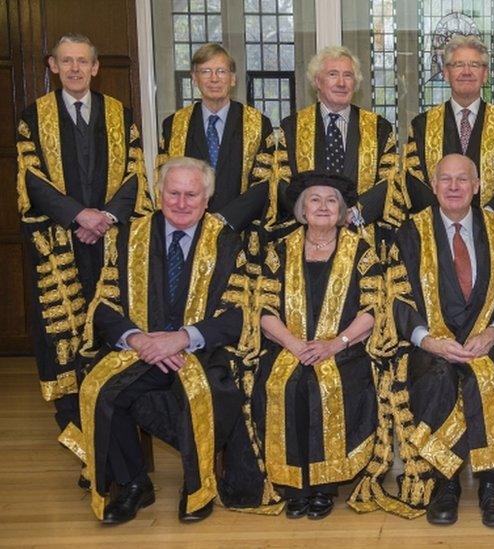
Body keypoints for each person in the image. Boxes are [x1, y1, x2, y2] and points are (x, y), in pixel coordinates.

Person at [78, 156, 246, 524]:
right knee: (100, 391)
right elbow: (104, 303)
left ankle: (196, 483)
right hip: (141, 349)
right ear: (158, 194)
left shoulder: (230, 242)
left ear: (207, 200)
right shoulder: (126, 238)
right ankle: (134, 483)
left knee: (204, 393)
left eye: (191, 194)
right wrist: (137, 339)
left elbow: (240, 311)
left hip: (203, 351)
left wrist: (183, 338)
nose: (181, 203)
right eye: (173, 193)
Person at [379, 154, 494, 528]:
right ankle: (444, 483)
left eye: (462, 179)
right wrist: (426, 339)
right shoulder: (409, 232)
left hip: (490, 340)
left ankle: (489, 485)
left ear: (477, 185)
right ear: (432, 186)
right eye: (445, 180)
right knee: (436, 378)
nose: (453, 187)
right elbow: (395, 297)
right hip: (432, 344)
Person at [15, 33, 151, 449]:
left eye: (82, 62)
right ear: (53, 66)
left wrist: (105, 216)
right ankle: (81, 437)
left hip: (111, 239)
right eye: (66, 61)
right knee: (65, 332)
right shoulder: (33, 117)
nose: (74, 68)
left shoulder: (118, 113)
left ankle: (118, 428)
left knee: (114, 324)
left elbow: (135, 175)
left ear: (95, 67)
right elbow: (31, 179)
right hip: (60, 241)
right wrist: (79, 215)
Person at [249, 172, 382, 520]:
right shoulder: (279, 250)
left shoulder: (362, 251)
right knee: (286, 383)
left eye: (331, 201)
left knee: (326, 384)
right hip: (288, 346)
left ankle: (324, 485)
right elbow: (263, 309)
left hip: (344, 348)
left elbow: (372, 309)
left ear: (342, 211)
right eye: (315, 200)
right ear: (302, 209)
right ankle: (294, 485)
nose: (323, 206)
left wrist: (334, 344)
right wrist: (295, 345)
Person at [278, 46, 403, 236]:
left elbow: (391, 179)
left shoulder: (379, 128)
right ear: (318, 81)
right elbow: (281, 180)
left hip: (362, 234)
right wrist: (314, 214)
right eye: (333, 74)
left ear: (355, 83)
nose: (341, 83)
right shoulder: (292, 127)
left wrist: (353, 214)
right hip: (307, 236)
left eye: (348, 76)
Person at [402, 34, 494, 221]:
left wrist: (486, 219)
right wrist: (445, 219)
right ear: (445, 73)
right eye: (458, 65)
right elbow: (414, 181)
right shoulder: (422, 125)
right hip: (436, 232)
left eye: (475, 65)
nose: (466, 72)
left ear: (485, 74)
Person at [157, 43, 276, 232]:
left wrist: (223, 219)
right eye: (205, 72)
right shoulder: (174, 125)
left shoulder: (258, 124)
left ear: (233, 79)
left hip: (239, 229)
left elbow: (264, 183)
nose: (214, 79)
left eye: (221, 71)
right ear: (194, 79)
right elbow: (164, 181)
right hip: (188, 229)